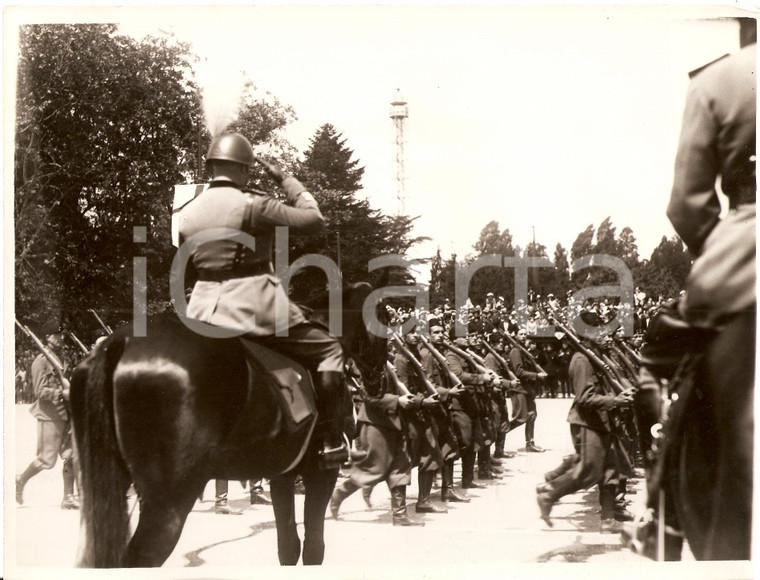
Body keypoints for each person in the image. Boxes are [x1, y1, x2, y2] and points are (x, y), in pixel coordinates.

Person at [178, 132, 348, 469]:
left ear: (211, 167)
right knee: (330, 349)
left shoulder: (187, 211)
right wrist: (286, 179)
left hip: (200, 309)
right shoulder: (253, 204)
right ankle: (331, 441)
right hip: (251, 306)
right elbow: (314, 220)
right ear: (244, 170)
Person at [536, 312, 635, 533]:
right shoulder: (582, 359)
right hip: (588, 422)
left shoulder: (597, 355)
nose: (604, 334)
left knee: (611, 470)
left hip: (604, 421)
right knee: (589, 471)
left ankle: (607, 520)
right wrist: (615, 401)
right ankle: (549, 493)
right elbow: (584, 397)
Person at [16, 320, 79, 510]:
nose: (60, 338)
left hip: (65, 413)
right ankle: (20, 480)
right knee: (46, 460)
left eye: (61, 335)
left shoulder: (60, 358)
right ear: (47, 338)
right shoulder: (40, 361)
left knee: (72, 455)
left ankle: (68, 497)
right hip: (49, 415)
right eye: (56, 335)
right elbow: (39, 391)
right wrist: (61, 393)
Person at [507, 328, 547, 452]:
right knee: (520, 418)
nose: (523, 336)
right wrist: (536, 376)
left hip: (528, 388)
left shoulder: (524, 351)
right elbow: (519, 371)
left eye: (525, 334)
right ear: (516, 336)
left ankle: (530, 444)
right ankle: (499, 436)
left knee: (532, 416)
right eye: (521, 334)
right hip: (519, 389)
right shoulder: (515, 351)